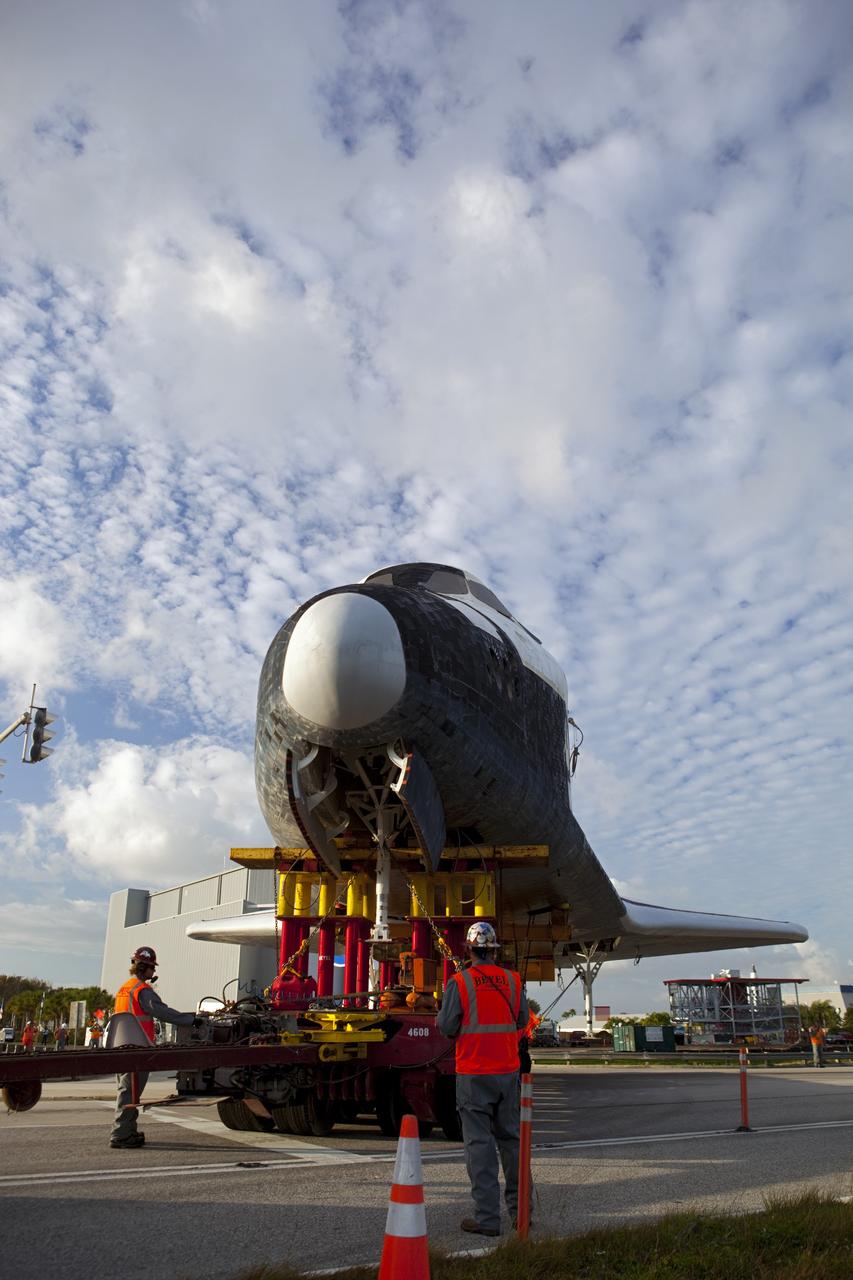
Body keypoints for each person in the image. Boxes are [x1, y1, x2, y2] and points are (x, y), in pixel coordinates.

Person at [436, 921, 529, 1237]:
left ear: (468, 950)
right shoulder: (513, 981)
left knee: (479, 1147)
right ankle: (522, 1215)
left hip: (474, 1074)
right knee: (512, 1143)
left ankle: (488, 1220)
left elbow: (447, 1026)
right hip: (507, 1073)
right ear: (494, 951)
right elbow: (520, 1021)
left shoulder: (460, 983)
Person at [110, 945, 203, 1149]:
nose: (154, 972)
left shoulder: (124, 988)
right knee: (129, 1092)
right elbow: (163, 1012)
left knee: (126, 1090)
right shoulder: (142, 991)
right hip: (138, 1048)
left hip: (121, 1047)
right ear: (145, 968)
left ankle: (128, 1131)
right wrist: (191, 1020)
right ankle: (121, 1134)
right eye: (153, 968)